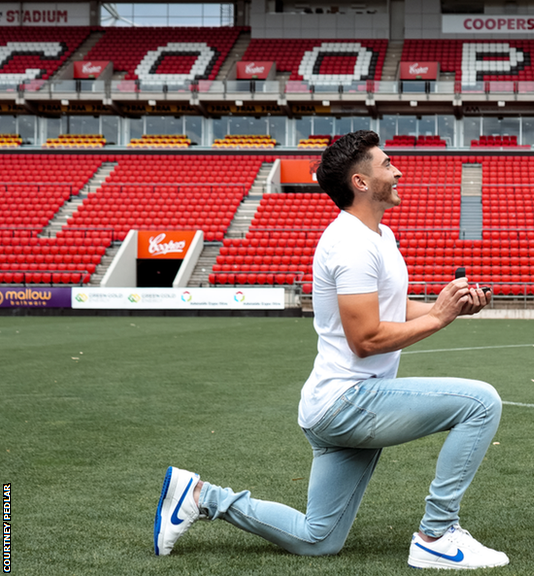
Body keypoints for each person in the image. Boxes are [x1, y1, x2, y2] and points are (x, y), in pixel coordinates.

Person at [154, 130, 508, 571]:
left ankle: (202, 497)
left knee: (317, 539)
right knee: (480, 402)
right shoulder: (351, 244)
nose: (397, 171)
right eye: (386, 164)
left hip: (337, 405)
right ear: (360, 182)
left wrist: (449, 308)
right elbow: (367, 340)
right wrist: (436, 318)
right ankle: (437, 534)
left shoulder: (380, 236)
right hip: (347, 402)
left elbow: (392, 309)